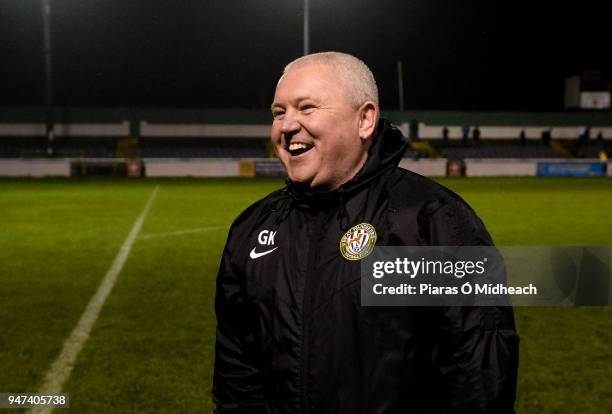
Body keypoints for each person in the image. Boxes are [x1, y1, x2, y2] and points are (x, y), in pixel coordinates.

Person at [213, 52, 519, 413]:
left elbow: (478, 373)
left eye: (307, 108)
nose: (287, 125)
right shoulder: (252, 228)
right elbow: (237, 375)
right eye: (279, 112)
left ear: (365, 119)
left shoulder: (432, 221)